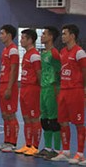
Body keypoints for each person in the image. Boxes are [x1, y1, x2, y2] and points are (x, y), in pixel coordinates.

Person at [51, 24, 86, 164]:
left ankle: (80, 154)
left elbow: (85, 71)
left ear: (72, 36)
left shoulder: (80, 52)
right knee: (63, 122)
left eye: (65, 33)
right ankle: (66, 151)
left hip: (75, 91)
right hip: (64, 91)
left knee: (78, 123)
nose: (62, 36)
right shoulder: (63, 52)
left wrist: (84, 88)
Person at [35, 26, 61, 160]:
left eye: (44, 34)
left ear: (51, 37)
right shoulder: (43, 53)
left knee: (53, 120)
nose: (42, 36)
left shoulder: (55, 53)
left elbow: (59, 71)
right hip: (43, 88)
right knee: (44, 120)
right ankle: (46, 147)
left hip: (52, 88)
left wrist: (57, 88)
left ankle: (56, 149)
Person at [16, 29, 42, 156]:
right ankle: (27, 144)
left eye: (23, 38)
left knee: (34, 118)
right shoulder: (26, 54)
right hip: (24, 89)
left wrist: (40, 89)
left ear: (30, 40)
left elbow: (39, 73)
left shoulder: (34, 55)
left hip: (32, 89)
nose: (21, 40)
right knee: (26, 118)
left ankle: (35, 146)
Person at [0, 25, 20, 152]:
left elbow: (14, 70)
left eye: (2, 33)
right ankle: (6, 141)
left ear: (9, 35)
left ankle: (13, 143)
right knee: (5, 115)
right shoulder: (5, 50)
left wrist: (9, 88)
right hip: (3, 83)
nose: (0, 36)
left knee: (10, 114)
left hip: (9, 85)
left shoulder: (13, 50)